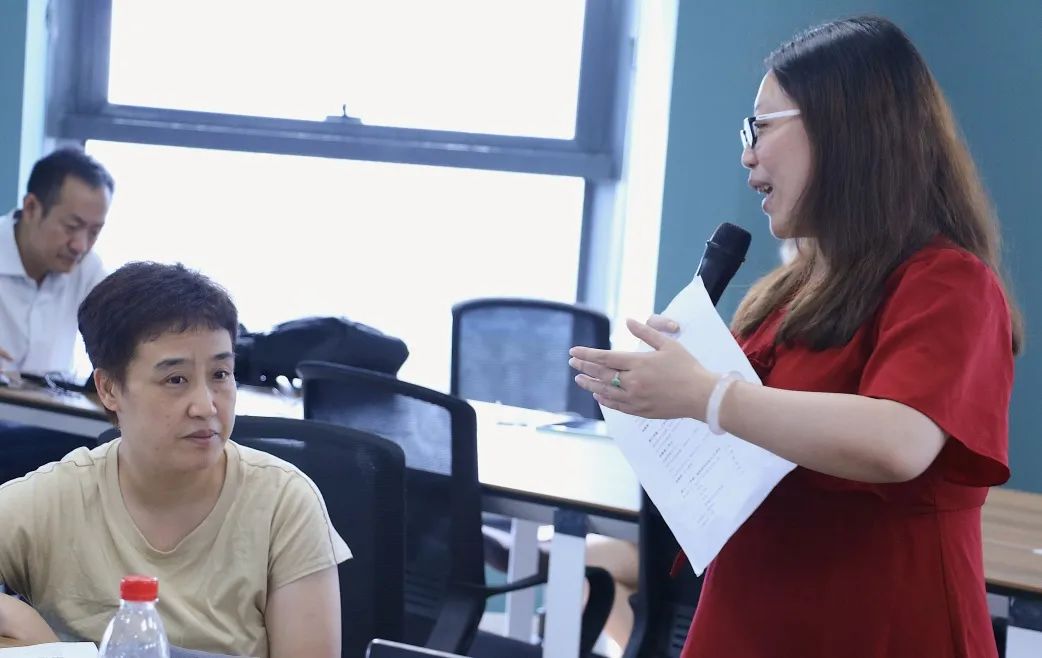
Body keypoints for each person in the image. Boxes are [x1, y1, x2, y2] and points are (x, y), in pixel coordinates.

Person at [568, 16, 1021, 658]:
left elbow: (899, 442)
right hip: (749, 617)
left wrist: (708, 395)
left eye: (760, 127)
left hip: (878, 628)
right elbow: (755, 440)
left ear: (845, 127)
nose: (747, 155)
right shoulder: (788, 291)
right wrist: (661, 393)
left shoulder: (949, 283)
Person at [0, 262, 350, 658]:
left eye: (221, 374)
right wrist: (24, 623)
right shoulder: (55, 498)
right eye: (176, 380)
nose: (206, 406)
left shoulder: (283, 503)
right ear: (109, 388)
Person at [0, 147, 113, 375]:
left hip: (51, 397)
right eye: (71, 226)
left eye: (94, 232)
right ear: (31, 208)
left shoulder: (88, 268)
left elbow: (130, 322)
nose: (81, 246)